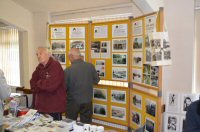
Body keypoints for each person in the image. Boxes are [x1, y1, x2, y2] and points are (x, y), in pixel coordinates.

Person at [64, 48, 100, 123]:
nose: (69, 59)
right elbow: (97, 81)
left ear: (71, 56)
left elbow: (64, 87)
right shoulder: (90, 66)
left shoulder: (68, 70)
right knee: (86, 125)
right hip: (87, 101)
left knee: (70, 124)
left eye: (68, 57)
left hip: (72, 102)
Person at [30, 47, 66, 120]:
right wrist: (43, 82)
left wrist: (39, 83)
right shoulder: (39, 67)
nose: (38, 56)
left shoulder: (55, 65)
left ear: (48, 54)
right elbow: (32, 85)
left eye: (41, 53)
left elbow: (51, 86)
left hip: (53, 108)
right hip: (40, 107)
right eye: (37, 54)